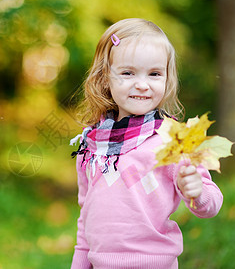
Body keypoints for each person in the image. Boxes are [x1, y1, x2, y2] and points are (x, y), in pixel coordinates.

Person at [70, 18, 223, 269]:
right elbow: (86, 216)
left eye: (154, 74)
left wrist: (197, 192)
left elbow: (211, 204)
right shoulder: (91, 146)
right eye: (128, 73)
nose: (142, 84)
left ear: (167, 79)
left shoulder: (173, 139)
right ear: (105, 78)